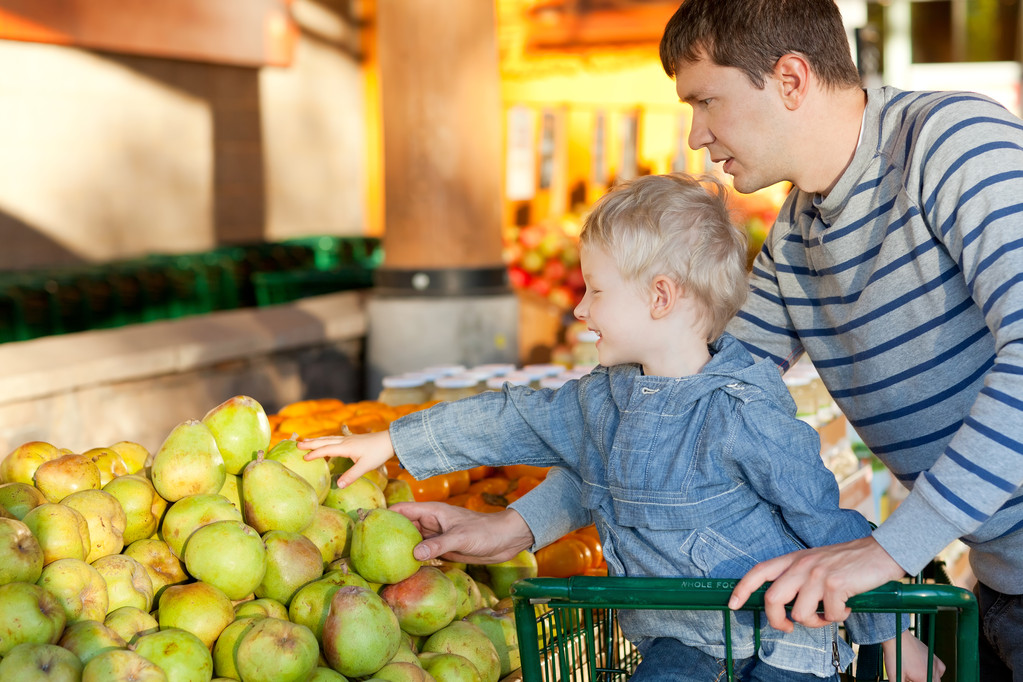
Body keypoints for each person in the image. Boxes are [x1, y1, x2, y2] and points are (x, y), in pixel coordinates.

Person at [361, 0, 1022, 678]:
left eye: (706, 101)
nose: (696, 135)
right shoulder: (797, 236)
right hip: (1000, 579)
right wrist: (519, 525)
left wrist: (888, 551)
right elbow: (673, 420)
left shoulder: (951, 144)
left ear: (790, 79)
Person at [302, 173, 933, 681]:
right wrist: (395, 440)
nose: (578, 308)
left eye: (595, 290)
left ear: (660, 297)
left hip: (781, 642)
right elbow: (512, 416)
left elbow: (826, 522)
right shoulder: (603, 400)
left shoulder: (742, 412)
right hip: (678, 637)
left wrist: (890, 636)